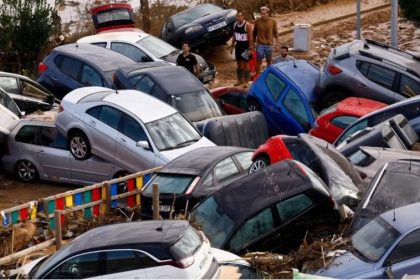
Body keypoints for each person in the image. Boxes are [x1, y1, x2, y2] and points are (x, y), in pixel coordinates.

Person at [253, 6, 279, 75]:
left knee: (269, 61)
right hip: (260, 44)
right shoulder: (257, 22)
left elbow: (276, 33)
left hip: (269, 44)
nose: (263, 15)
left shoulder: (273, 22)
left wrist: (277, 44)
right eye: (262, 14)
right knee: (258, 61)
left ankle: (268, 75)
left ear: (268, 13)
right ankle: (257, 76)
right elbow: (254, 33)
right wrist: (253, 43)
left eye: (264, 14)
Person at [230, 11, 253, 87]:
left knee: (246, 63)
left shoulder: (247, 25)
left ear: (243, 17)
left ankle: (247, 81)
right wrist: (232, 45)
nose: (237, 17)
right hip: (238, 46)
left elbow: (250, 38)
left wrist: (250, 49)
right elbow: (234, 35)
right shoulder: (235, 24)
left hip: (245, 46)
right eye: (237, 16)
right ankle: (240, 80)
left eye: (239, 16)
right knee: (239, 63)